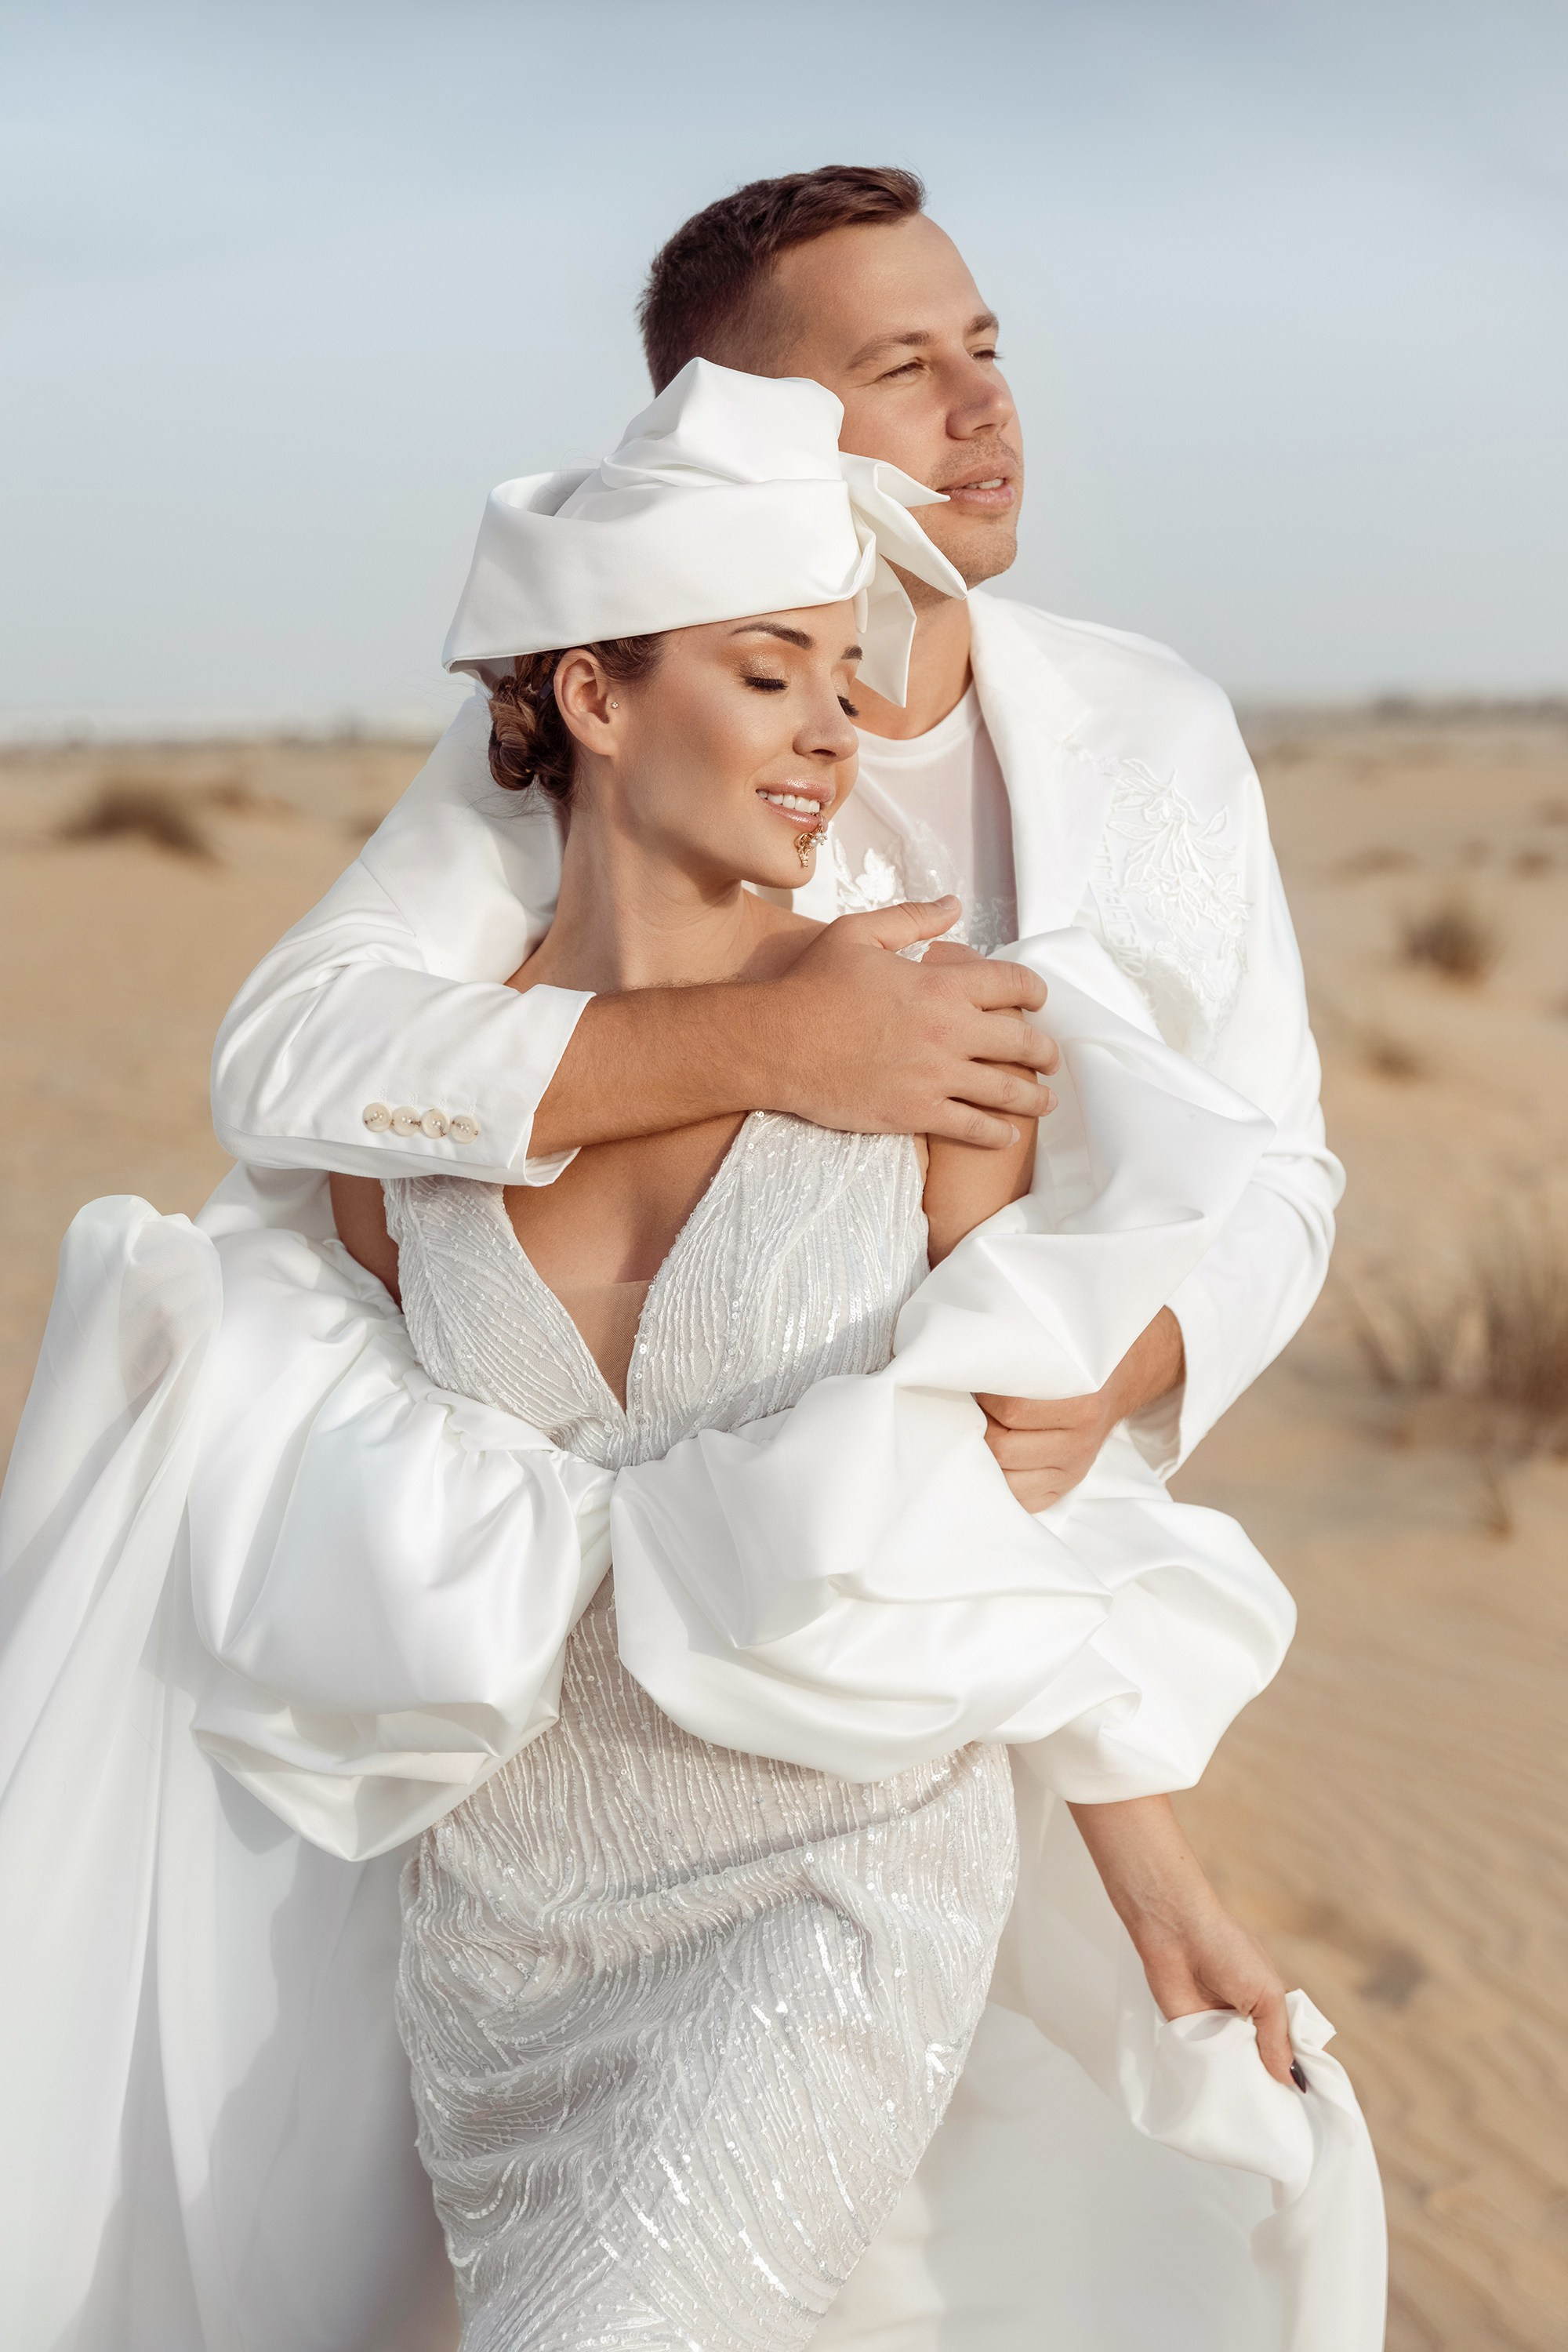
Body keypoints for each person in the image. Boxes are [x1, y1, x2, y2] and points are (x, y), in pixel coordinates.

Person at [315, 360, 1302, 2351]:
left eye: (844, 687)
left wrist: (1155, 1878)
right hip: (508, 1911)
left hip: (838, 1863)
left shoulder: (946, 1045)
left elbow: (1025, 1493)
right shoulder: (398, 1117)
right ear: (590, 697)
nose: (833, 739)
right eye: (771, 677)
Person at [212, 165, 1341, 1517]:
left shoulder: (1166, 721)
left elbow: (1281, 1157)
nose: (986, 407)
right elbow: (302, 1048)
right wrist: (785, 1043)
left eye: (984, 349)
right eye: (904, 367)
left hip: (1014, 1575)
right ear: (741, 428)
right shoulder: (617, 743)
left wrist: (1127, 1369)